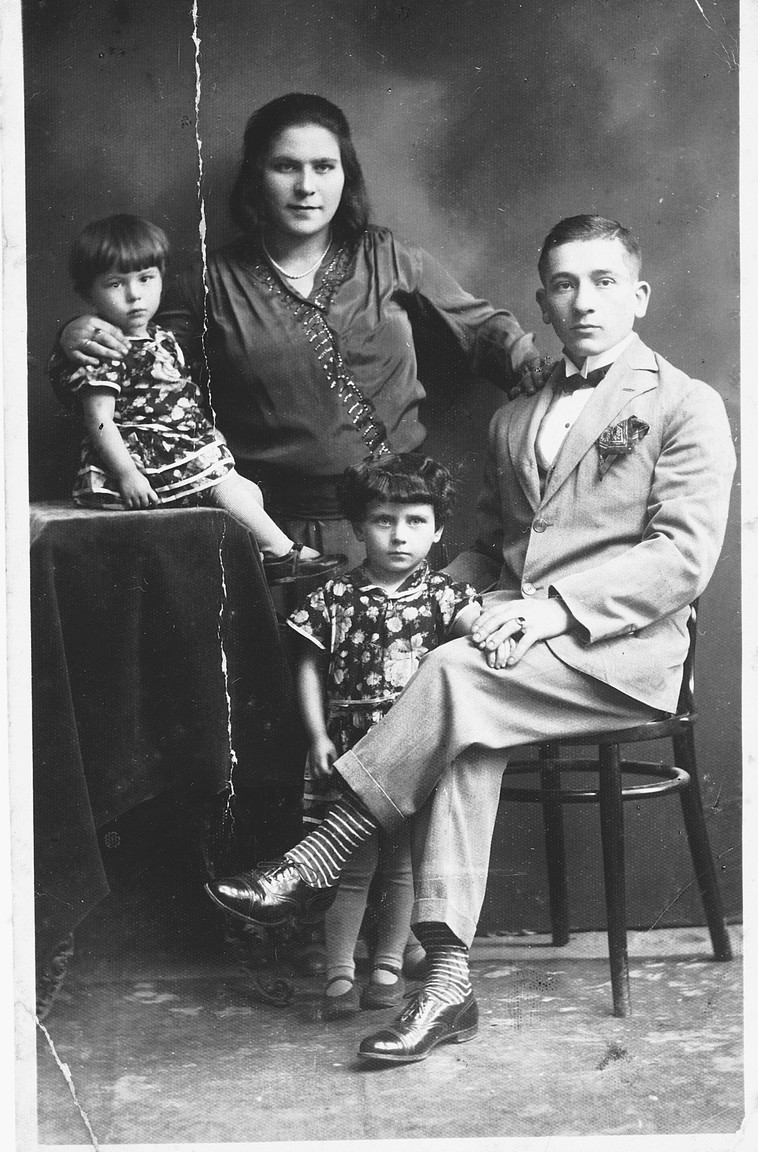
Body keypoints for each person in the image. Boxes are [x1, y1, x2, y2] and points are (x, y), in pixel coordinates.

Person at [205, 215, 736, 1064]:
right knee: (459, 721)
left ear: (638, 296)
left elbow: (683, 557)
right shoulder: (514, 420)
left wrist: (550, 610)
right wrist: (432, 600)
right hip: (512, 658)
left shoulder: (685, 403)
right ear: (542, 303)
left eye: (604, 282)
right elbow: (488, 552)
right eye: (564, 284)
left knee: (453, 675)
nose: (584, 301)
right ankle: (447, 987)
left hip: (624, 654)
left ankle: (322, 846)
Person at [50, 93, 551, 567]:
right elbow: (136, 361)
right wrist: (76, 333)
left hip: (395, 526)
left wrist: (528, 363)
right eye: (286, 166)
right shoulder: (211, 283)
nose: (306, 186)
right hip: (275, 531)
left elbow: (480, 327)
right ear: (255, 179)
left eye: (324, 167)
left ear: (344, 176)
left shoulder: (389, 257)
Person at [288, 453, 480, 1018]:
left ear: (439, 529)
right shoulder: (333, 596)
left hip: (413, 751)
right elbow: (307, 667)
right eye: (383, 521)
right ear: (357, 527)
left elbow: (473, 629)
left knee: (402, 865)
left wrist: (497, 631)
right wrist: (317, 734)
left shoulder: (443, 596)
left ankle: (389, 963)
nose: (400, 536)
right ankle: (339, 972)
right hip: (351, 747)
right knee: (350, 865)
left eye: (416, 522)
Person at [54, 212, 344, 582]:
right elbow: (99, 419)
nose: (134, 295)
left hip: (172, 448)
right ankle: (281, 552)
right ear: (87, 293)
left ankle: (255, 559)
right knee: (221, 482)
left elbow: (180, 400)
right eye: (115, 284)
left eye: (146, 279)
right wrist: (127, 474)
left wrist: (207, 438)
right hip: (136, 462)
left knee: (247, 490)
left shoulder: (162, 338)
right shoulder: (106, 347)